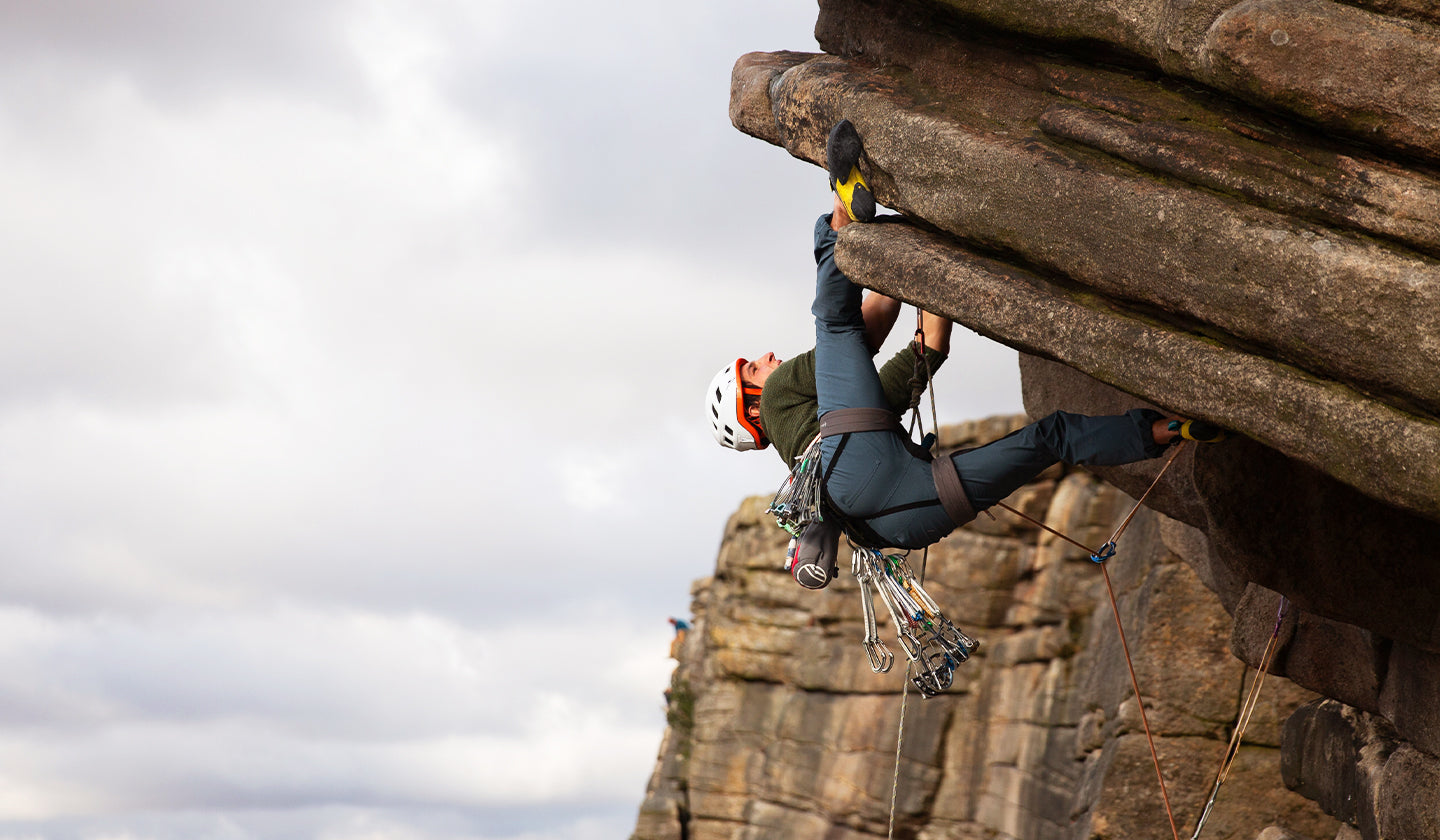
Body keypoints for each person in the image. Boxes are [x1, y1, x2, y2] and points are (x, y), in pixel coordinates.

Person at [705, 120, 1223, 585]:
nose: (767, 358)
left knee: (1053, 438)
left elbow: (926, 350)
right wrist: (906, 268)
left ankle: (1172, 430)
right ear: (752, 409)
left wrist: (930, 272)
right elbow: (866, 334)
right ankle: (840, 200)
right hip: (855, 458)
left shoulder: (831, 432)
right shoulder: (779, 401)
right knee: (834, 321)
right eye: (754, 366)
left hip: (901, 524)